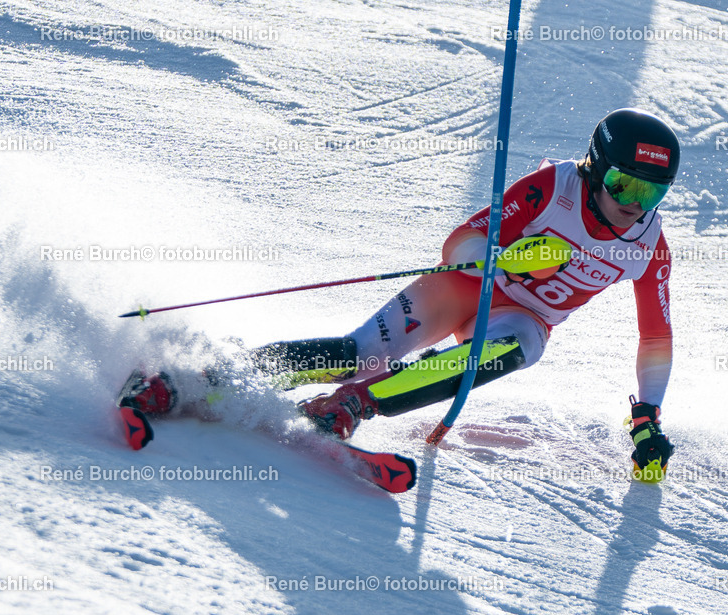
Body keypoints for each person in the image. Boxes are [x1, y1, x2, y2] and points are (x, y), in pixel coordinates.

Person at [121, 108, 679, 479]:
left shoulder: (648, 246)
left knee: (521, 347)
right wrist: (498, 258)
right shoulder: (553, 188)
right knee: (359, 352)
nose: (633, 202)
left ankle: (350, 406)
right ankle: (182, 383)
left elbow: (655, 336)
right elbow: (459, 242)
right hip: (468, 287)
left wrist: (647, 418)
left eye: (651, 191)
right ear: (595, 168)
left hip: (522, 320)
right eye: (623, 183)